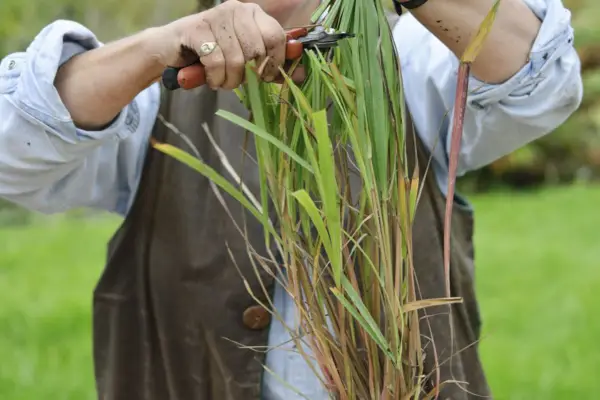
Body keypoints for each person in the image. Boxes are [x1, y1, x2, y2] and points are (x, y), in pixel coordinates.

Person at [0, 0, 582, 399]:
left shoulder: (413, 58)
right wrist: (154, 49)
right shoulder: (156, 88)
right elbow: (13, 148)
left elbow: (543, 78)